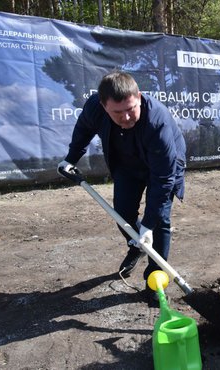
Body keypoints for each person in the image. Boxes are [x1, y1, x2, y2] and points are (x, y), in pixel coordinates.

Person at [57, 71, 186, 297]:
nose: (126, 117)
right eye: (118, 112)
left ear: (139, 96)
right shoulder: (94, 108)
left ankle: (156, 281)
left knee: (158, 220)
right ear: (103, 105)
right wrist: (71, 158)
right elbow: (84, 130)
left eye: (131, 109)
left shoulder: (157, 122)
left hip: (163, 164)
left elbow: (163, 179)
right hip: (127, 163)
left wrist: (147, 225)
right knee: (123, 213)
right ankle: (136, 246)